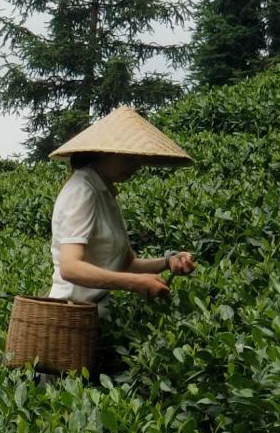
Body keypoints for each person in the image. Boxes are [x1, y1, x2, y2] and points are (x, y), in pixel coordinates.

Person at [47, 106, 197, 315]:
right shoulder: (82, 190)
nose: (137, 165)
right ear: (104, 152)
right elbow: (70, 267)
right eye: (128, 157)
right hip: (71, 316)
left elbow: (126, 264)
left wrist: (167, 261)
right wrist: (134, 283)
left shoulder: (104, 191)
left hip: (97, 315)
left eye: (138, 158)